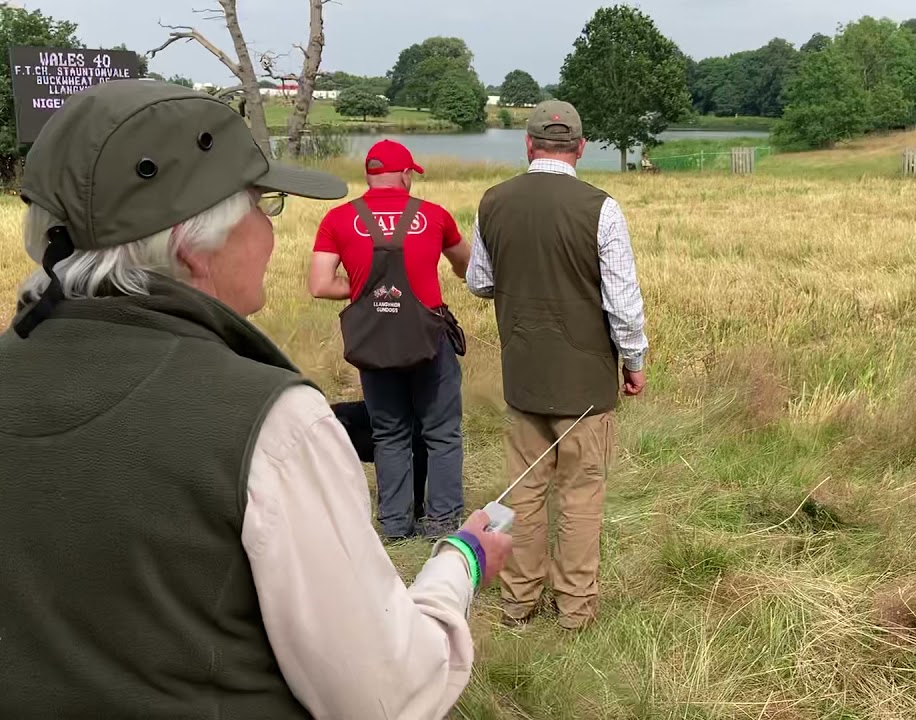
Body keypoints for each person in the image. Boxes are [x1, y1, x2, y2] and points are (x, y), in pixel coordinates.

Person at [0, 79, 511, 720]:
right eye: (262, 205)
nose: (269, 235)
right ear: (191, 245)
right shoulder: (270, 422)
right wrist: (458, 566)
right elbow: (388, 696)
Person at [467, 100, 649, 631]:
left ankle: (517, 605)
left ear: (528, 144)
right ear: (580, 147)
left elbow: (479, 281)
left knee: (522, 495)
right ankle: (574, 612)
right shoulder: (602, 208)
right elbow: (622, 302)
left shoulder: (492, 202)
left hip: (522, 379)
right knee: (580, 497)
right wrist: (633, 362)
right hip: (587, 388)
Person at [309, 139, 472, 541]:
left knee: (389, 433)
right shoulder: (434, 216)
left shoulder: (338, 219)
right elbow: (466, 266)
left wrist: (367, 289)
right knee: (442, 433)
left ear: (369, 176)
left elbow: (320, 284)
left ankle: (396, 525)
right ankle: (442, 522)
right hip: (428, 341)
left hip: (374, 343)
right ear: (405, 174)